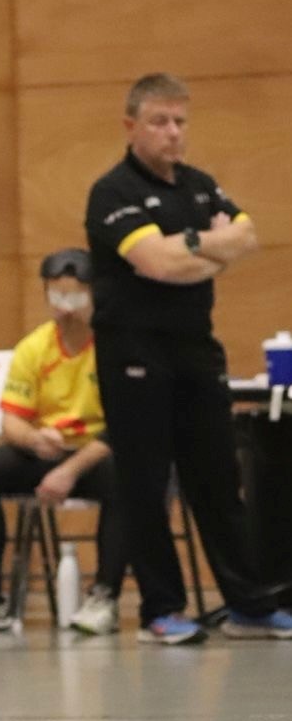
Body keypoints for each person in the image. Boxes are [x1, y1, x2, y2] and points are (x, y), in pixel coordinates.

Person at [84, 73, 292, 644]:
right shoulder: (113, 192)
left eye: (180, 121)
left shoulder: (199, 185)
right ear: (131, 126)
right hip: (134, 349)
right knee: (146, 482)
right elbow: (156, 263)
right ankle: (162, 608)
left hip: (196, 347)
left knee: (219, 479)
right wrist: (206, 245)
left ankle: (248, 604)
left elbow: (247, 237)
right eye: (159, 121)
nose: (173, 133)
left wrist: (194, 250)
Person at [0, 248, 127, 633]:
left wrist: (70, 471)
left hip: (95, 455)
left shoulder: (115, 347)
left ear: (95, 295)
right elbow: (11, 422)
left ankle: (104, 597)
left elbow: (124, 429)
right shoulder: (35, 347)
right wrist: (35, 439)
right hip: (48, 452)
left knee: (129, 476)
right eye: (57, 296)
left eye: (75, 296)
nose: (66, 307)